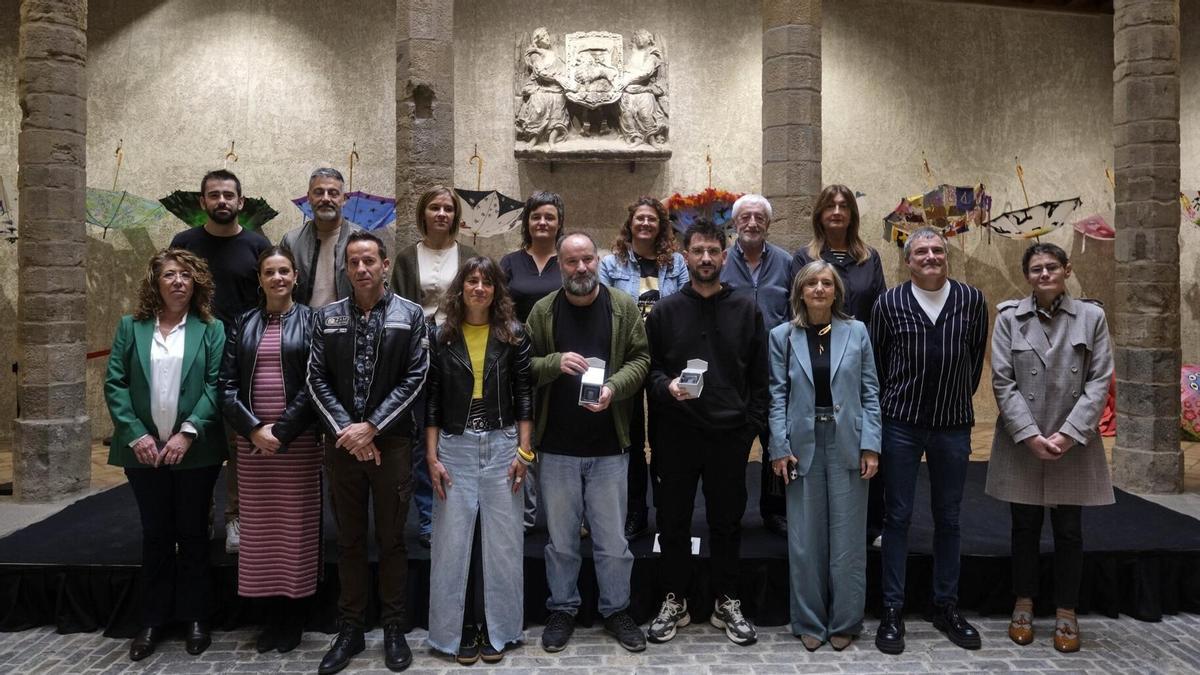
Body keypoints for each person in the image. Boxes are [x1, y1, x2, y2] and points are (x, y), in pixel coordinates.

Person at [308, 231, 428, 674]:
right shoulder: (327, 317)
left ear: (383, 265)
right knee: (351, 539)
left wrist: (373, 426)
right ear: (347, 268)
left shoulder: (411, 315)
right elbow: (316, 378)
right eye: (353, 263)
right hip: (342, 447)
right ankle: (351, 626)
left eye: (369, 262)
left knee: (393, 540)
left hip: (393, 443)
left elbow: (417, 375)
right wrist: (348, 431)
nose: (361, 269)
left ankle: (395, 626)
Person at [644, 219, 768, 647]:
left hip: (728, 437)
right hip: (676, 436)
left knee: (727, 523)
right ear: (685, 254)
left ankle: (726, 600)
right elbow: (651, 371)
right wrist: (666, 387)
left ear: (724, 253)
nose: (706, 259)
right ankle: (675, 599)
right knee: (673, 522)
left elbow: (760, 377)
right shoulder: (664, 311)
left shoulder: (746, 310)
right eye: (697, 251)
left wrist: (748, 427)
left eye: (713, 251)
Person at [986, 243, 1114, 654]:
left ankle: (1066, 611)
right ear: (1027, 276)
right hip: (1023, 440)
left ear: (1066, 269)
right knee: (1023, 527)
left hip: (1071, 442)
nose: (1044, 274)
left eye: (1051, 267)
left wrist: (1068, 433)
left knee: (1069, 531)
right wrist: (1028, 433)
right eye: (1036, 269)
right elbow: (1002, 380)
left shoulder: (1092, 317)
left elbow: (1099, 379)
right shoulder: (1009, 318)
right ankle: (1023, 603)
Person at [527, 232, 649, 654]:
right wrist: (554, 362)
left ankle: (616, 610)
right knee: (560, 539)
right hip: (557, 446)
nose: (581, 269)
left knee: (613, 540)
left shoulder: (623, 306)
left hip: (609, 446)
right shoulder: (544, 312)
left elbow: (642, 359)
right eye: (571, 262)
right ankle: (563, 608)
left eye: (587, 260)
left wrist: (614, 387)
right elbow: (525, 367)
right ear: (560, 265)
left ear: (598, 261)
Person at [870, 226, 988, 655]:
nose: (931, 256)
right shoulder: (889, 303)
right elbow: (879, 363)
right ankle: (892, 610)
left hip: (953, 424)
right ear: (907, 260)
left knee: (949, 518)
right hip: (900, 424)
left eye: (938, 249)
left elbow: (975, 361)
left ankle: (946, 606)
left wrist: (951, 399)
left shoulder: (972, 301)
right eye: (921, 251)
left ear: (947, 255)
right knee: (896, 518)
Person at [104, 249, 226, 661]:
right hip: (143, 451)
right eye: (170, 275)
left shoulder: (211, 329)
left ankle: (196, 617)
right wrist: (135, 434)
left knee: (192, 533)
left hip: (194, 450)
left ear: (197, 283)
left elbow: (215, 387)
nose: (178, 281)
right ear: (156, 282)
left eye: (186, 275)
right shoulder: (131, 327)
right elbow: (115, 382)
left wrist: (186, 434)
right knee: (156, 534)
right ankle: (153, 619)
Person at [767, 260, 881, 652]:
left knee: (848, 538)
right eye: (811, 282)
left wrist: (871, 444)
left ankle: (845, 619)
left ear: (836, 291)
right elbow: (777, 394)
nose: (819, 288)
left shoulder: (857, 332)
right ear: (800, 291)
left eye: (826, 283)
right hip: (802, 443)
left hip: (847, 440)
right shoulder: (782, 335)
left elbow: (870, 393)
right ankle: (809, 619)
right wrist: (778, 446)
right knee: (805, 538)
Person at [425, 257, 534, 665]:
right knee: (452, 545)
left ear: (497, 291)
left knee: (504, 545)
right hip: (455, 444)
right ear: (461, 288)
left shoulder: (515, 334)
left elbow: (526, 395)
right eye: (471, 281)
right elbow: (432, 400)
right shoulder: (441, 336)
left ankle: (500, 630)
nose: (479, 288)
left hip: (504, 443)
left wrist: (524, 451)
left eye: (487, 282)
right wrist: (431, 456)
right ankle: (456, 633)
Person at [218, 246, 320, 654]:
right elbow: (225, 385)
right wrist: (255, 429)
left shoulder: (312, 321)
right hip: (254, 444)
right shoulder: (242, 323)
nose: (277, 278)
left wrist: (282, 430)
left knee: (294, 528)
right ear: (259, 280)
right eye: (269, 272)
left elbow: (316, 383)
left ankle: (293, 619)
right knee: (260, 531)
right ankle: (269, 618)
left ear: (296, 276)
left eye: (284, 271)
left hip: (296, 444)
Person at [169, 169, 272, 553]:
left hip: (241, 359)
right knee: (193, 440)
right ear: (203, 202)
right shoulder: (184, 242)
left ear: (241, 202)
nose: (222, 201)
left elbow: (266, 303)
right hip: (192, 355)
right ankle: (195, 521)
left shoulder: (258, 245)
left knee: (238, 445)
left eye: (229, 195)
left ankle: (236, 519)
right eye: (214, 195)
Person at [790, 185, 887, 544]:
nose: (837, 211)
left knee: (863, 440)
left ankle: (869, 525)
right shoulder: (805, 257)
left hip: (857, 358)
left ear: (852, 215)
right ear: (819, 213)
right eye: (830, 205)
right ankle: (819, 524)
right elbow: (797, 309)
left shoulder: (869, 258)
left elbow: (879, 310)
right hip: (817, 359)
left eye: (844, 206)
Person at [392, 186, 479, 547]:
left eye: (447, 208)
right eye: (434, 208)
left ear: (455, 216)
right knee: (422, 440)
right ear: (423, 215)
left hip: (460, 353)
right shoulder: (407, 258)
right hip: (420, 354)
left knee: (459, 437)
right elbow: (398, 309)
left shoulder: (470, 254)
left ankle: (463, 514)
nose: (441, 213)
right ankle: (428, 518)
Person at [599, 196, 688, 540]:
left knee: (665, 438)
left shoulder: (676, 263)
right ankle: (636, 510)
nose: (646, 224)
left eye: (652, 219)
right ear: (630, 224)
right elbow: (607, 307)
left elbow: (681, 306)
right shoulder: (611, 263)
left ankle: (668, 510)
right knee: (631, 438)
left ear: (661, 225)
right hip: (628, 357)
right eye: (640, 219)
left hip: (666, 358)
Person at [720, 194, 793, 538]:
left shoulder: (786, 262)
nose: (752, 223)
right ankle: (730, 510)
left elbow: (797, 313)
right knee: (732, 446)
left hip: (776, 369)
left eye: (758, 217)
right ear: (735, 224)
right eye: (745, 217)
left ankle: (774, 511)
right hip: (732, 371)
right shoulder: (720, 263)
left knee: (776, 442)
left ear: (768, 223)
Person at [499, 191, 565, 531]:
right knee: (520, 436)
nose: (542, 222)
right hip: (516, 360)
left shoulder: (567, 260)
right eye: (536, 216)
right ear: (527, 222)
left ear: (559, 223)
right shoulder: (510, 262)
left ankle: (562, 517)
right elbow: (498, 308)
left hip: (560, 362)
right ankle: (523, 515)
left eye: (549, 216)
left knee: (556, 436)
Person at [280, 167, 363, 308]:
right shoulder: (291, 241)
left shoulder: (361, 239)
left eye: (333, 193)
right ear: (309, 198)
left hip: (348, 325)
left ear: (344, 199)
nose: (325, 198)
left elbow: (374, 288)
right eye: (318, 193)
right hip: (303, 324)